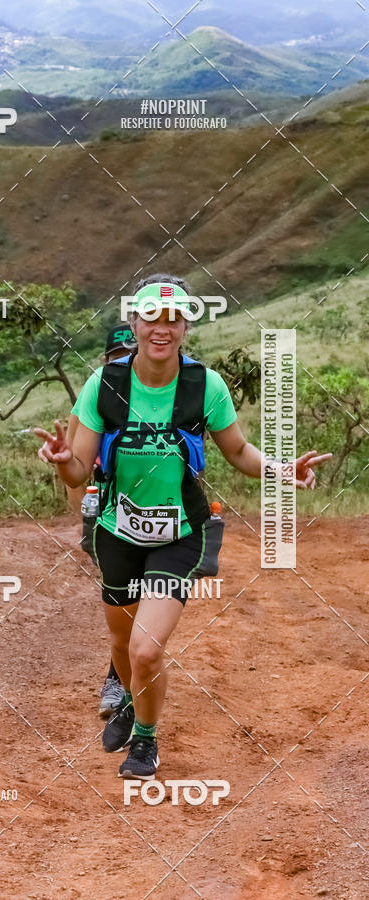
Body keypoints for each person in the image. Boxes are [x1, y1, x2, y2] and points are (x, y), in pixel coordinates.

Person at [34, 273, 332, 780]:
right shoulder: (104, 385)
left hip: (179, 534)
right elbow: (80, 470)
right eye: (152, 317)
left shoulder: (204, 386)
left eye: (173, 319)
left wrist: (282, 469)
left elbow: (236, 451)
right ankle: (127, 699)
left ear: (185, 327)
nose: (163, 328)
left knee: (146, 649)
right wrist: (62, 460)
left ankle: (146, 742)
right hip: (115, 531)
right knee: (121, 644)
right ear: (135, 323)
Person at [48, 324, 137, 719]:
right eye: (118, 358)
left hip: (162, 516)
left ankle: (124, 682)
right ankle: (120, 679)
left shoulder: (166, 393)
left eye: (129, 355)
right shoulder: (95, 394)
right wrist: (83, 515)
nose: (125, 364)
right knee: (125, 604)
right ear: (106, 361)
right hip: (108, 510)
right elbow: (74, 463)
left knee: (149, 601)